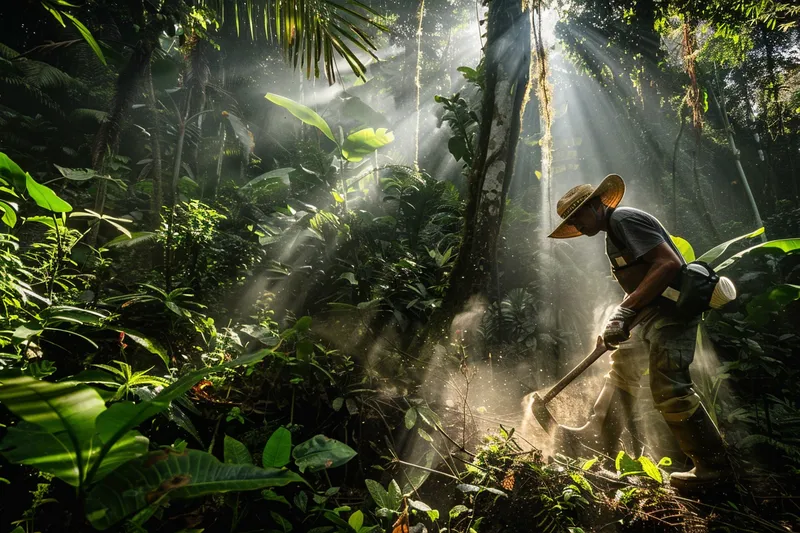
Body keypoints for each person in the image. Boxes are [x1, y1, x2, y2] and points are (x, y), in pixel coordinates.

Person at [547, 174, 731, 493]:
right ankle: (599, 439)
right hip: (650, 314)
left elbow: (667, 264)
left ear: (595, 205)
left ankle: (713, 467)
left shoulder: (624, 219)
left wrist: (623, 313)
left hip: (673, 315)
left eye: (578, 218)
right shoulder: (613, 236)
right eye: (572, 223)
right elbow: (640, 285)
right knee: (621, 371)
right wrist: (616, 324)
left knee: (669, 388)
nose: (577, 226)